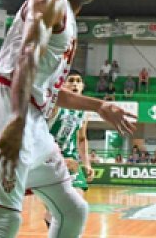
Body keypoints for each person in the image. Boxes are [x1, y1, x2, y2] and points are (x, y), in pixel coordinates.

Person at [0, 0, 135, 238]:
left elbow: (51, 92)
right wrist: (17, 120)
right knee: (3, 222)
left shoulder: (69, 19)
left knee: (73, 209)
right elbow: (26, 55)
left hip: (31, 115)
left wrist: (101, 105)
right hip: (5, 107)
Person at [45, 70, 95, 232]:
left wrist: (87, 164)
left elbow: (81, 138)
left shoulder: (83, 112)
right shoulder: (54, 106)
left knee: (77, 204)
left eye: (78, 81)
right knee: (55, 209)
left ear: (82, 86)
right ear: (63, 85)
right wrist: (56, 158)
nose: (75, 84)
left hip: (72, 161)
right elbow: (38, 134)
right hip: (48, 159)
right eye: (71, 80)